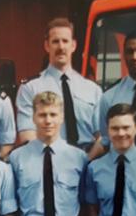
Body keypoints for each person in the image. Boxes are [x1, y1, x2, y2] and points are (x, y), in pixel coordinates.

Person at [8, 91, 88, 216]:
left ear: (61, 116)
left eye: (53, 114)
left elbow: (86, 200)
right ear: (33, 117)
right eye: (42, 115)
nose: (48, 120)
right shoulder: (17, 158)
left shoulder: (78, 157)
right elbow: (12, 201)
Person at [16, 18, 102, 153]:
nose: (61, 47)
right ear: (46, 46)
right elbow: (28, 136)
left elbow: (102, 137)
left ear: (73, 45)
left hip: (88, 161)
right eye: (55, 41)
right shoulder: (31, 88)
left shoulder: (93, 90)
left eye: (65, 41)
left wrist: (86, 162)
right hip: (48, 160)